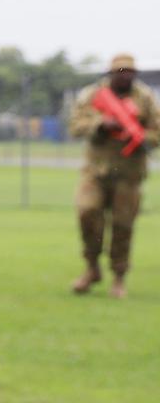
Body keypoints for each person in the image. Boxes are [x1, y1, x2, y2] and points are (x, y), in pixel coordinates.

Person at [66, 53, 159, 299]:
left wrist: (139, 138)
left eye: (128, 71)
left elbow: (157, 132)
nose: (124, 75)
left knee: (123, 225)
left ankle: (119, 277)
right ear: (110, 73)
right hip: (95, 171)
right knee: (87, 212)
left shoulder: (145, 98)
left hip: (129, 174)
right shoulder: (92, 95)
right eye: (119, 71)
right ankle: (91, 268)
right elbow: (75, 126)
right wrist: (101, 125)